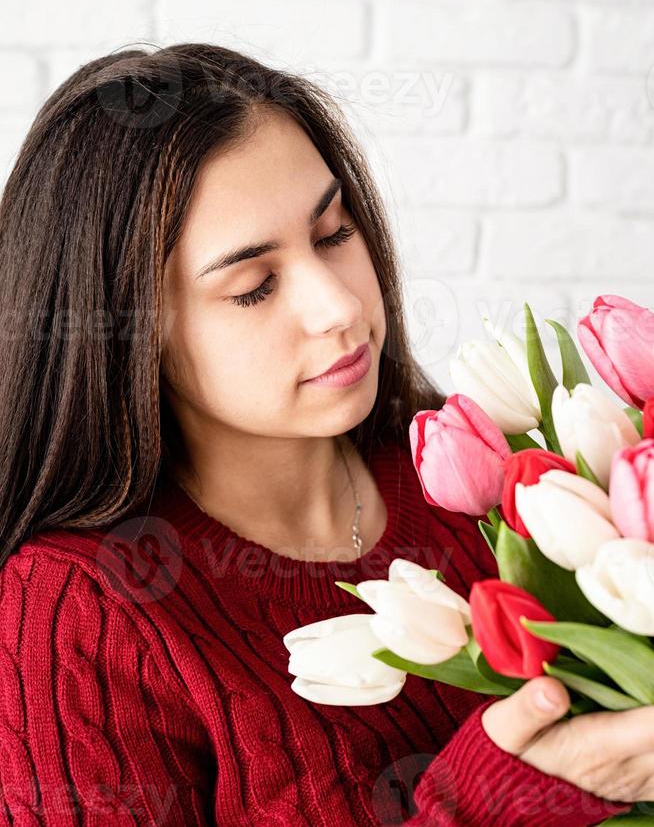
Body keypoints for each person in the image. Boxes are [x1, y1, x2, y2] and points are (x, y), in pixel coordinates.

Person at [0, 43, 641, 825]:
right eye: (253, 286)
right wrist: (487, 807)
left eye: (334, 233)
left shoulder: (483, 475)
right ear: (124, 334)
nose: (339, 306)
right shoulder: (79, 614)